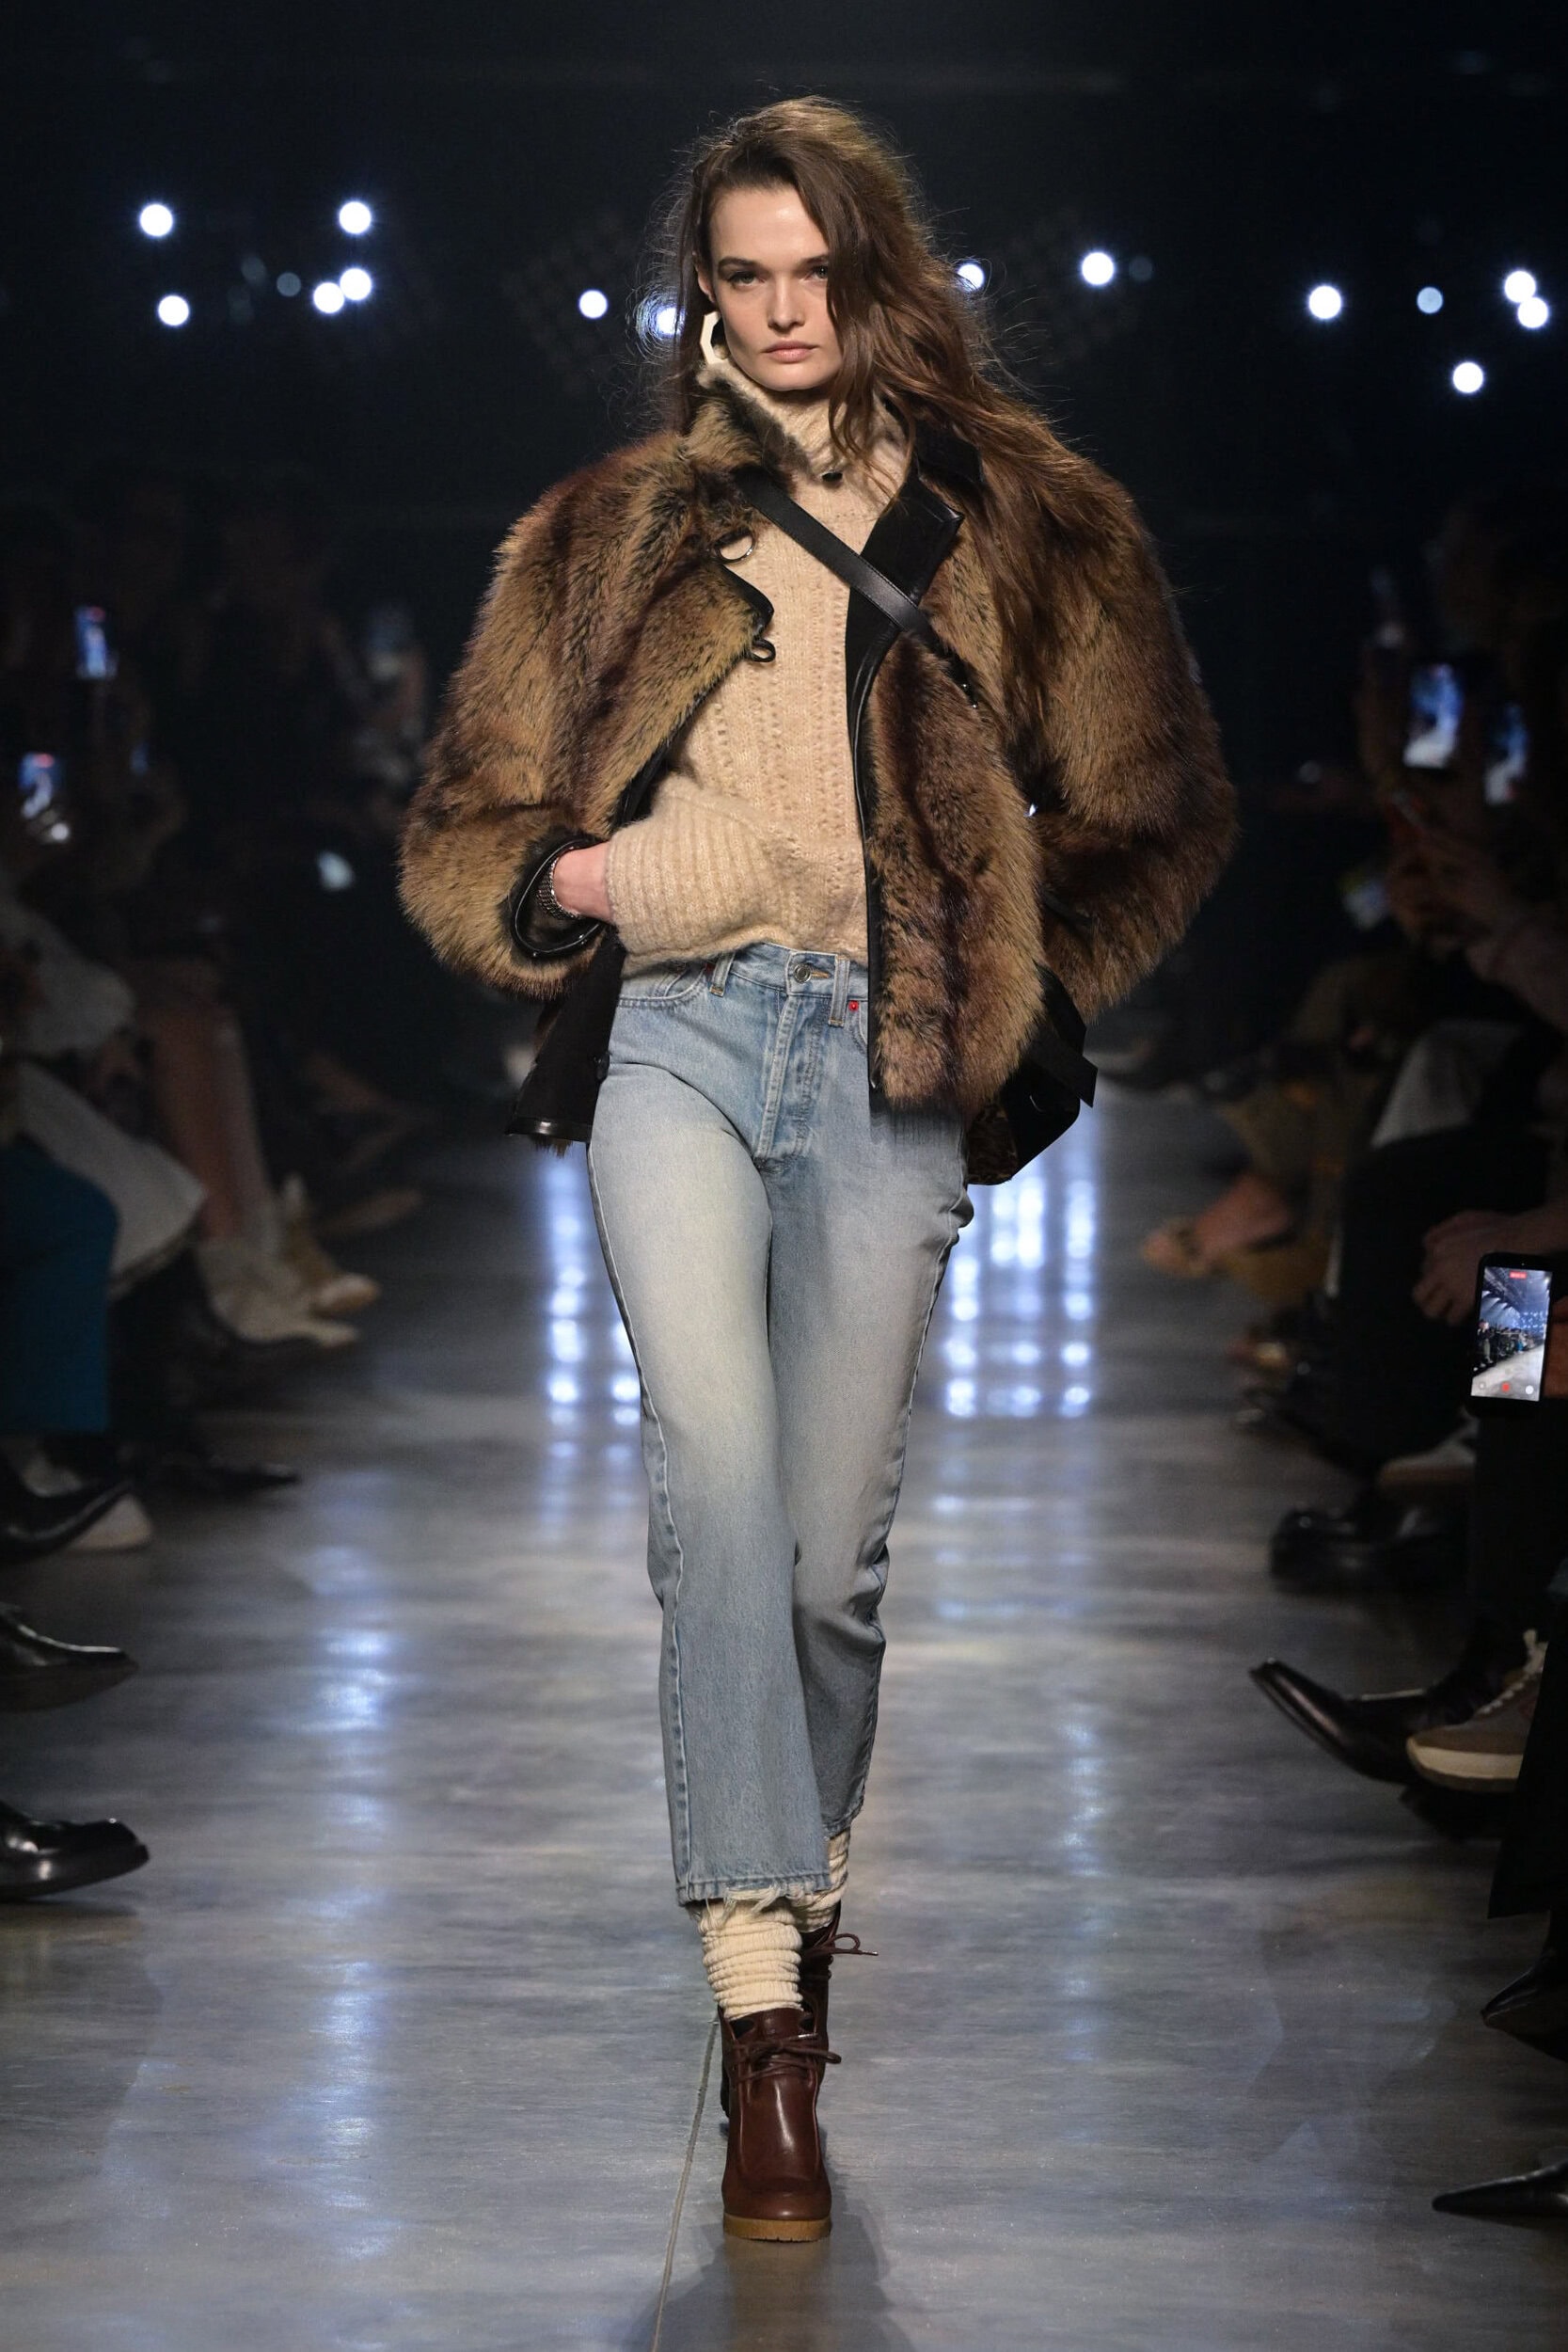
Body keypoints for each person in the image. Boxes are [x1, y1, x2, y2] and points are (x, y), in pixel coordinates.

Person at [400, 97, 1233, 2241]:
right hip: (677, 1040)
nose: (783, 315)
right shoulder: (610, 533)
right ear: (701, 294)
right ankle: (761, 2008)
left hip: (890, 1058)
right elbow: (468, 830)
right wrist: (596, 878)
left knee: (823, 1565)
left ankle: (804, 1883)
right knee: (711, 1477)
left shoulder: (1025, 517)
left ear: (882, 278)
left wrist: (1009, 976)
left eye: (817, 274)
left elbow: (1157, 810)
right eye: (745, 276)